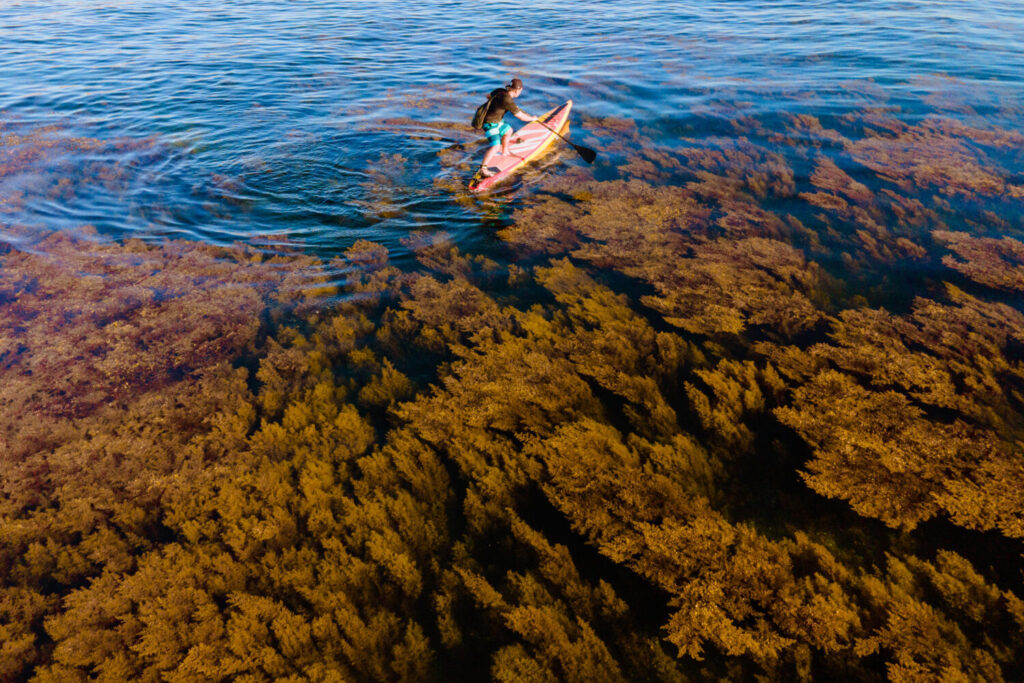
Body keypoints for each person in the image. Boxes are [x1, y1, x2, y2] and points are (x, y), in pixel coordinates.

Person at [478, 78, 538, 177]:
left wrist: (500, 105)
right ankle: (483, 169)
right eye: (520, 91)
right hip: (489, 123)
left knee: (508, 130)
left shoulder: (500, 91)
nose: (520, 93)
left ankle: (505, 152)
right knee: (495, 146)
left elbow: (488, 96)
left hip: (496, 121)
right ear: (517, 90)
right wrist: (532, 119)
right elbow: (521, 117)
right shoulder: (508, 101)